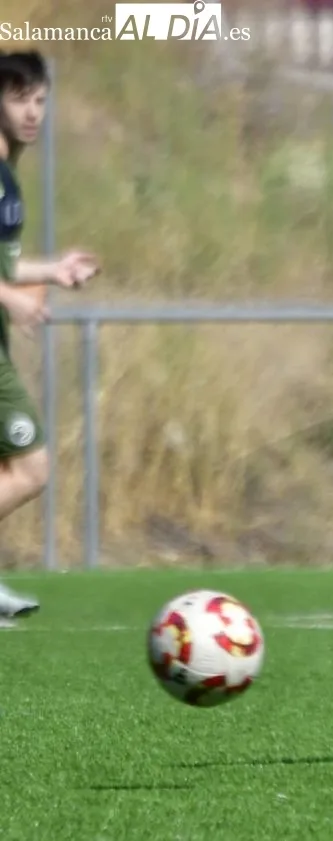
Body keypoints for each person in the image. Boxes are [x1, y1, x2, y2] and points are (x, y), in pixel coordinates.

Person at [0, 50, 100, 627]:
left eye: (40, 100)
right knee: (31, 468)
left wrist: (52, 272)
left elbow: (4, 264)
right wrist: (10, 298)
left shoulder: (7, 174)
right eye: (19, 99)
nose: (33, 112)